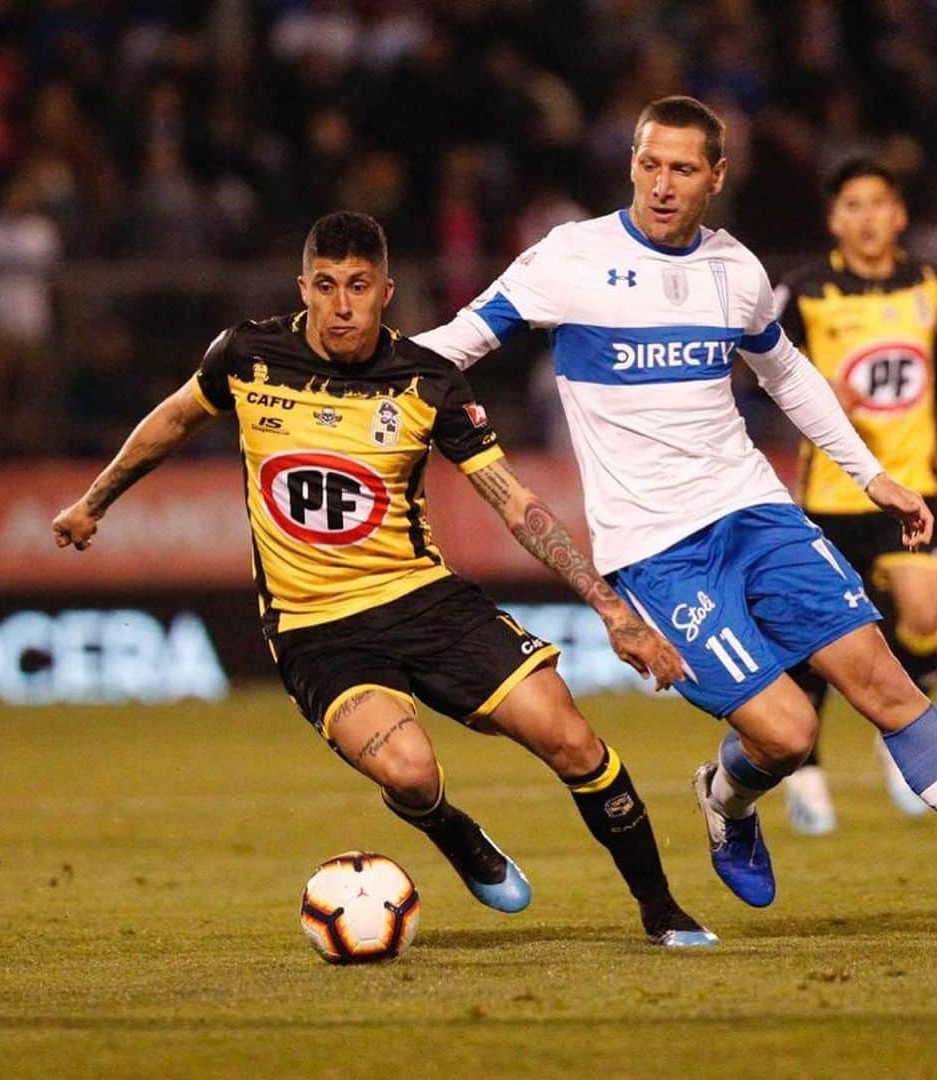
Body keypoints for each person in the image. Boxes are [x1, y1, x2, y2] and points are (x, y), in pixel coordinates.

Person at [53, 211, 716, 948]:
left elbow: (513, 502)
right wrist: (95, 500)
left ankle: (661, 911)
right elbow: (175, 421)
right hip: (315, 627)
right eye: (327, 286)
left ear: (387, 292)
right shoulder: (246, 356)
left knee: (570, 737)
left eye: (359, 287)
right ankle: (448, 826)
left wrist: (609, 606)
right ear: (303, 286)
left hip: (422, 600)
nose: (342, 305)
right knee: (408, 771)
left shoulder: (428, 381)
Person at [413, 96, 937, 912]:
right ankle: (727, 804)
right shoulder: (570, 258)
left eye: (683, 169)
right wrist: (333, 375)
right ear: (631, 163)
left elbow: (787, 372)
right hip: (659, 552)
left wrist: (869, 473)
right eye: (649, 164)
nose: (662, 185)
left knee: (886, 685)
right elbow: (454, 344)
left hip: (755, 511)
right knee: (789, 732)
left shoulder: (735, 270)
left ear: (716, 177)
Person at [776, 159, 937, 833]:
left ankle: (895, 726)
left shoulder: (929, 287)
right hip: (835, 493)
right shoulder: (809, 291)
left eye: (879, 203)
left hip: (913, 488)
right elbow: (760, 369)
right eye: (854, 205)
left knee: (926, 614)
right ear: (834, 218)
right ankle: (807, 771)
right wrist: (813, 387)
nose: (868, 216)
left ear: (899, 214)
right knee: (824, 639)